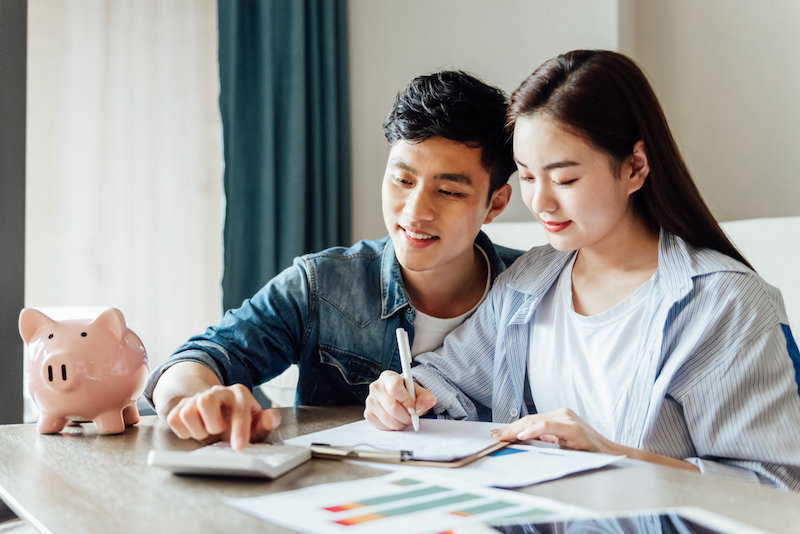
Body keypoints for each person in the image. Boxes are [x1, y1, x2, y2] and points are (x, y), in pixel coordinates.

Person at [364, 50, 800, 490]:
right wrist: (402, 393)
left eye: (565, 179)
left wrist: (613, 458)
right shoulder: (529, 282)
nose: (542, 204)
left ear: (635, 167)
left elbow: (776, 487)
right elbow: (448, 377)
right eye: (529, 177)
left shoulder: (727, 307)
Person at [145, 71, 523, 450]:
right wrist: (192, 403)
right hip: (339, 497)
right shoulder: (323, 284)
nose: (415, 211)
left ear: (496, 203)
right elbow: (199, 358)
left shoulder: (536, 289)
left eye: (447, 191)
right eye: (402, 181)